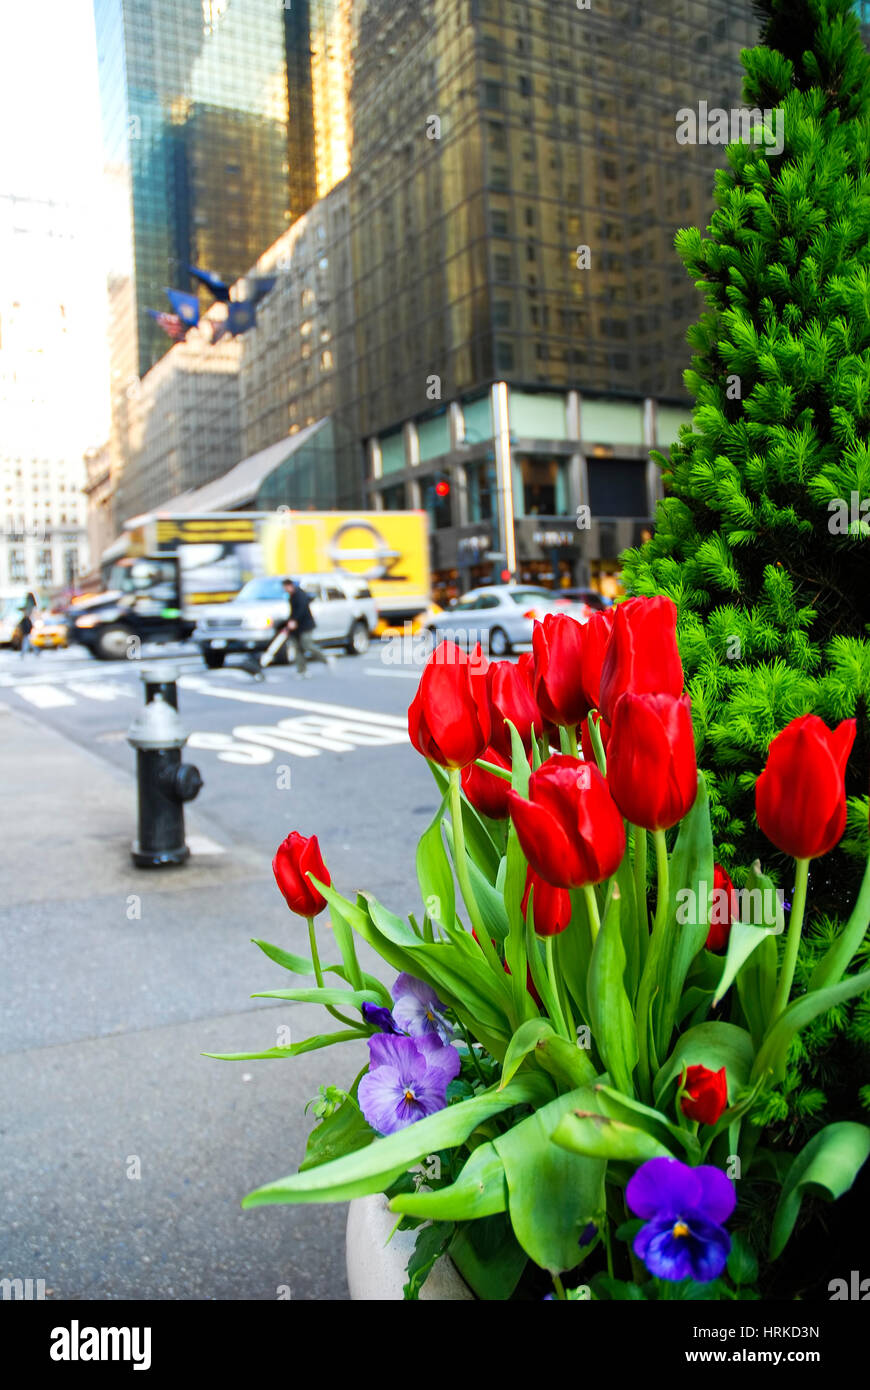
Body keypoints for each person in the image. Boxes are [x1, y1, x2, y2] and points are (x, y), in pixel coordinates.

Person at [281, 577, 332, 678]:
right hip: (296, 627)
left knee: (307, 645)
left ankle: (325, 658)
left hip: (305, 625)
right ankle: (301, 670)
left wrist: (294, 620)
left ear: (289, 586)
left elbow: (302, 609)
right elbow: (293, 611)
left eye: (285, 587)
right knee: (298, 648)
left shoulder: (299, 594)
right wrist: (288, 622)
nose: (284, 589)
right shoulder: (291, 596)